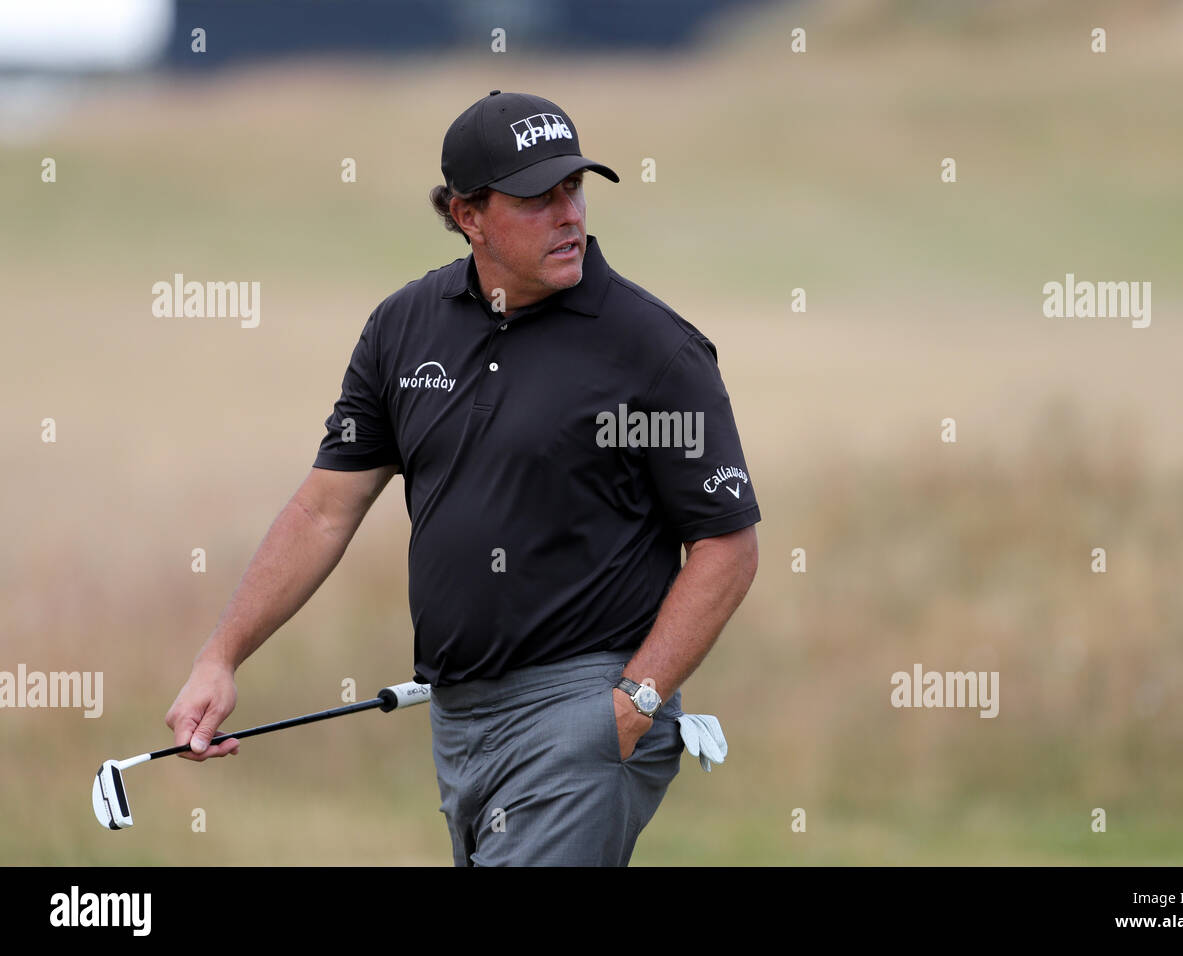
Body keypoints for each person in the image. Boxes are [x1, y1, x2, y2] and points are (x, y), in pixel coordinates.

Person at [165, 90, 760, 865]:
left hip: (583, 712)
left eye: (574, 189)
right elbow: (324, 511)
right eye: (536, 199)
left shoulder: (651, 350)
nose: (569, 215)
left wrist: (636, 702)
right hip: (457, 720)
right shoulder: (405, 328)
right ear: (467, 213)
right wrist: (222, 655)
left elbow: (726, 545)